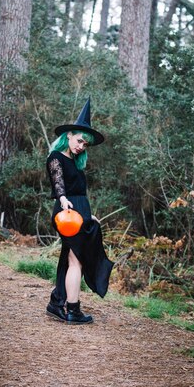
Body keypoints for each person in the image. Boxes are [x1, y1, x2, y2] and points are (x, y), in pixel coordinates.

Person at [45, 98, 114, 325]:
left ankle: (57, 303)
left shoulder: (76, 162)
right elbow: (58, 184)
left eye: (85, 144)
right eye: (79, 141)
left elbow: (79, 191)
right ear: (68, 136)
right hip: (67, 213)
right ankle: (72, 310)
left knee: (69, 259)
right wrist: (63, 199)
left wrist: (88, 215)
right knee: (77, 261)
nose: (81, 146)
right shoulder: (56, 158)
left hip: (79, 213)